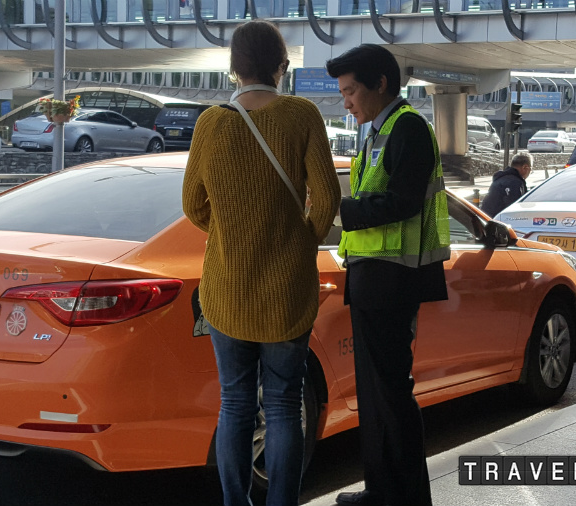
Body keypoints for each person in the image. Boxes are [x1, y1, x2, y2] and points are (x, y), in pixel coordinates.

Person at [182, 19, 341, 506]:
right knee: (284, 404)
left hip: (227, 289)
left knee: (234, 404)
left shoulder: (211, 123)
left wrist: (234, 234)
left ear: (234, 67)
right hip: (287, 289)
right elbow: (327, 198)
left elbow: (193, 205)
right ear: (281, 66)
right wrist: (298, 242)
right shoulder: (302, 115)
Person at [325, 44, 451, 506]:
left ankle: (408, 497)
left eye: (351, 91)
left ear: (380, 84)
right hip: (372, 277)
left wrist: (342, 211)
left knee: (392, 393)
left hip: (393, 280)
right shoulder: (378, 131)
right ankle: (382, 491)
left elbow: (403, 201)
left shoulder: (408, 128)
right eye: (342, 93)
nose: (346, 102)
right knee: (376, 394)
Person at [480, 152, 532, 217]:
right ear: (525, 167)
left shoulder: (501, 178)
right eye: (531, 169)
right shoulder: (514, 183)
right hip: (497, 219)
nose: (530, 172)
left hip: (486, 217)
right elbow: (514, 209)